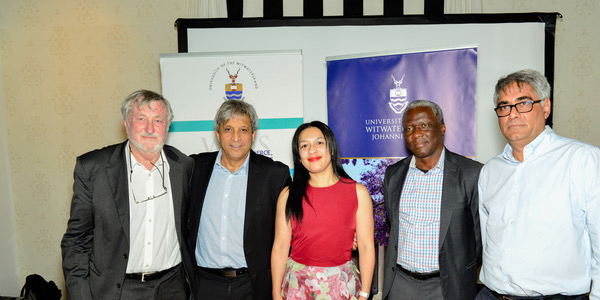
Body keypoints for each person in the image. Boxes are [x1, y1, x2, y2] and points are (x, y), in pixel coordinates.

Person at [477, 69, 600, 299]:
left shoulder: (582, 160)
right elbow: (488, 239)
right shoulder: (490, 171)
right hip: (491, 294)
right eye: (504, 107)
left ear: (546, 107)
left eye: (523, 103)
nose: (512, 114)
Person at [61, 90, 194, 300]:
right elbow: (76, 242)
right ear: (126, 124)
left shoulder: (183, 165)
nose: (150, 129)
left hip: (173, 288)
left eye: (158, 120)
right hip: (119, 290)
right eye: (141, 119)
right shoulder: (94, 169)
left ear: (167, 126)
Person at [184, 100, 292, 300]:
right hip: (204, 285)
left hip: (253, 286)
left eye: (243, 129)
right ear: (217, 133)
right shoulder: (194, 168)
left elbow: (294, 229)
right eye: (228, 129)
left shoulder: (274, 175)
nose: (236, 137)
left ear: (253, 134)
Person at [382, 100, 483, 300]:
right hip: (400, 284)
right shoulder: (394, 175)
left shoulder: (472, 173)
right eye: (409, 128)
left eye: (424, 125)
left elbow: (480, 237)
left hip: (448, 287)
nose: (416, 134)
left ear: (442, 127)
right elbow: (394, 226)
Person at [271, 121, 376, 300]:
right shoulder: (288, 195)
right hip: (297, 286)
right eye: (304, 145)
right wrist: (275, 293)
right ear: (298, 156)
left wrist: (364, 294)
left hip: (341, 286)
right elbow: (280, 247)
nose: (312, 150)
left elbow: (366, 247)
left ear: (332, 149)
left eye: (319, 143)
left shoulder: (358, 192)